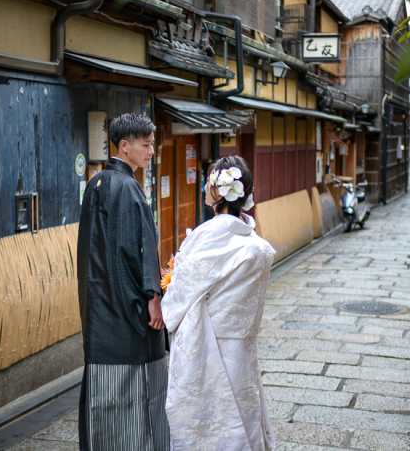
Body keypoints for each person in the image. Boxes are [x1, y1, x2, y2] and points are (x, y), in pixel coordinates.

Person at [161, 155, 276, 451]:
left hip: (210, 344)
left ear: (216, 191)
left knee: (210, 424)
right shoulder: (258, 246)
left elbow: (181, 292)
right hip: (241, 345)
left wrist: (164, 309)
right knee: (244, 412)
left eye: (208, 182)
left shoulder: (207, 237)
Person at [76, 113, 169, 451]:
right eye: (146, 145)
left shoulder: (96, 183)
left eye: (152, 145)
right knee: (138, 392)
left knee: (105, 390)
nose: (151, 152)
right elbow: (139, 248)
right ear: (125, 146)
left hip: (101, 307)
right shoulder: (129, 187)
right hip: (129, 311)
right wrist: (152, 295)